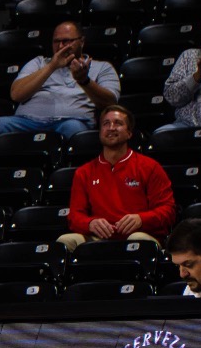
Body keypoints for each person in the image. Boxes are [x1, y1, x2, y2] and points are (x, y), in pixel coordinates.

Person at [57, 105, 175, 251]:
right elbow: (75, 216)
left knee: (137, 240)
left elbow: (168, 211)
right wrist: (90, 223)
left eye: (118, 123)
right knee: (65, 241)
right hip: (98, 237)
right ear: (100, 132)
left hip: (139, 234)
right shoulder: (84, 172)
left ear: (129, 133)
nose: (111, 127)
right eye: (106, 124)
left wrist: (141, 219)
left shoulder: (150, 167)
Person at [0, 21, 117, 141]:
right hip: (27, 121)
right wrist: (52, 66)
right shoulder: (38, 63)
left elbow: (110, 102)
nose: (61, 46)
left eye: (67, 41)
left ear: (81, 41)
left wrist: (84, 80)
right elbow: (16, 95)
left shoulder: (101, 67)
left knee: (73, 128)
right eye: (56, 41)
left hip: (70, 122)